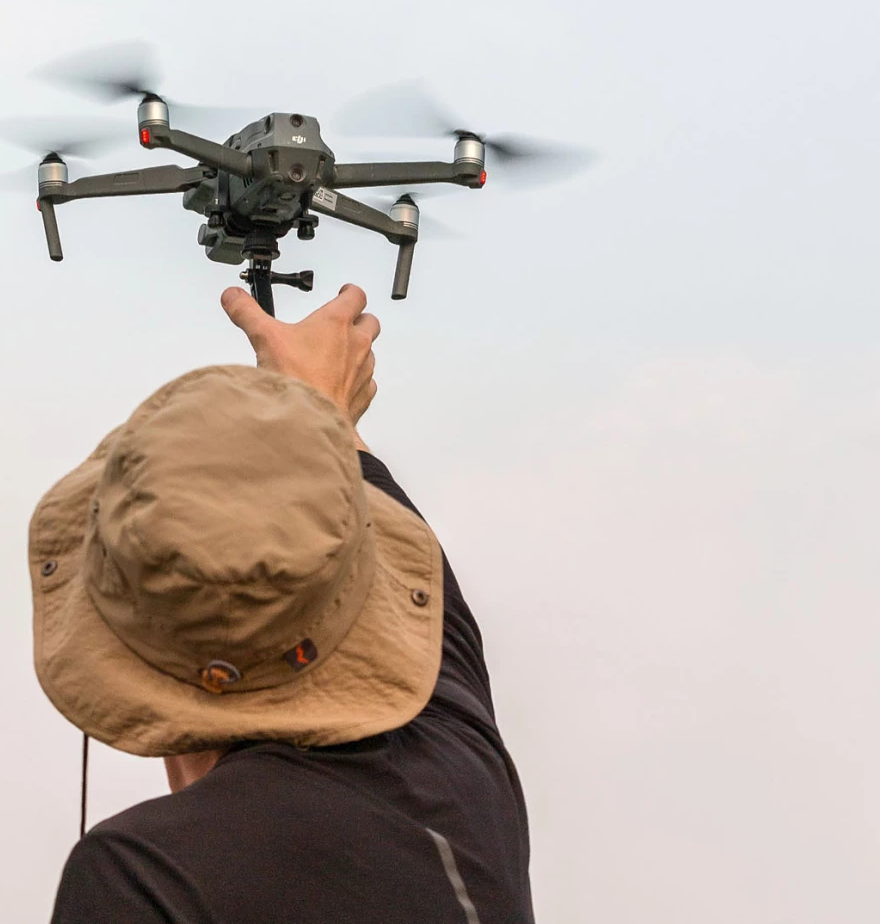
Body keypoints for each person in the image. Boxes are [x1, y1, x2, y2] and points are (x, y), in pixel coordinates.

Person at [28, 283, 534, 922]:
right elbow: (409, 583)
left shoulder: (143, 876)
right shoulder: (460, 771)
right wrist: (318, 415)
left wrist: (320, 413)